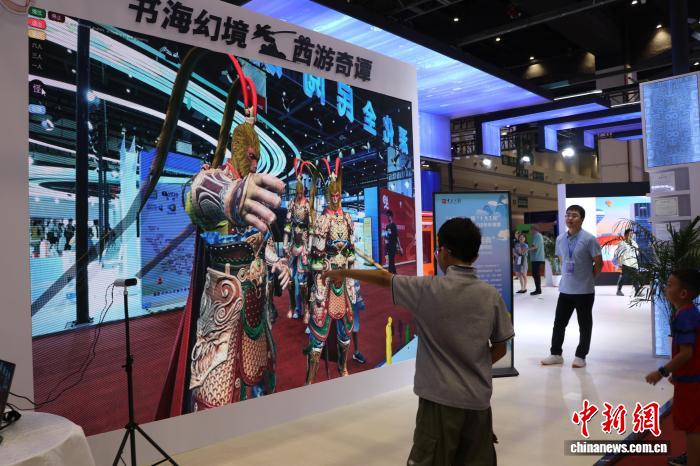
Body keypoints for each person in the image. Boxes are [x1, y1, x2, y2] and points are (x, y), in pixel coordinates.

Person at [323, 217, 514, 465]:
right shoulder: (491, 296)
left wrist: (342, 272)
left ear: (444, 252)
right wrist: (472, 367)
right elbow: (500, 347)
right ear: (475, 256)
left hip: (438, 403)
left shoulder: (427, 289)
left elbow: (385, 279)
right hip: (478, 405)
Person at [644, 269, 700, 466]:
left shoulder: (685, 316)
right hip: (690, 379)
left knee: (692, 428)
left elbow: (686, 353)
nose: (665, 288)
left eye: (669, 285)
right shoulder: (689, 312)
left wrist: (661, 372)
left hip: (692, 385)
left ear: (683, 293)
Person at [541, 205, 602, 368]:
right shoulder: (560, 239)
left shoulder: (589, 239)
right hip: (566, 290)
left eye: (574, 215)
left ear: (582, 219)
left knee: (584, 325)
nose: (570, 218)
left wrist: (589, 278)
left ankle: (581, 356)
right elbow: (563, 260)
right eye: (567, 215)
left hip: (584, 291)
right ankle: (555, 354)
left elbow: (599, 263)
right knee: (559, 323)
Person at [614, 228, 641, 297]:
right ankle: (619, 290)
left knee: (636, 277)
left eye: (632, 234)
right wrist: (620, 263)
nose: (631, 235)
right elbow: (619, 254)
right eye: (629, 234)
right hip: (626, 263)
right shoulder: (622, 244)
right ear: (625, 235)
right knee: (623, 278)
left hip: (634, 263)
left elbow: (637, 253)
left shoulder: (634, 243)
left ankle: (637, 291)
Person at [384, 210, 403, 274]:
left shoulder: (394, 225)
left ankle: (390, 273)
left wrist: (400, 247)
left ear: (391, 216)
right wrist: (384, 236)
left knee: (391, 260)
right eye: (386, 216)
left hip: (393, 245)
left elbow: (397, 236)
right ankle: (394, 273)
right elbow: (386, 236)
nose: (387, 217)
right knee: (391, 260)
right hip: (388, 245)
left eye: (388, 216)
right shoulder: (387, 226)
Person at [529, 225, 545, 295]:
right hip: (536, 258)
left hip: (537, 258)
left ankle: (538, 290)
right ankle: (538, 289)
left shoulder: (537, 235)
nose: (530, 231)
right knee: (535, 274)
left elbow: (535, 247)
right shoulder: (537, 236)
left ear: (533, 229)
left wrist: (526, 249)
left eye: (530, 230)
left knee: (536, 274)